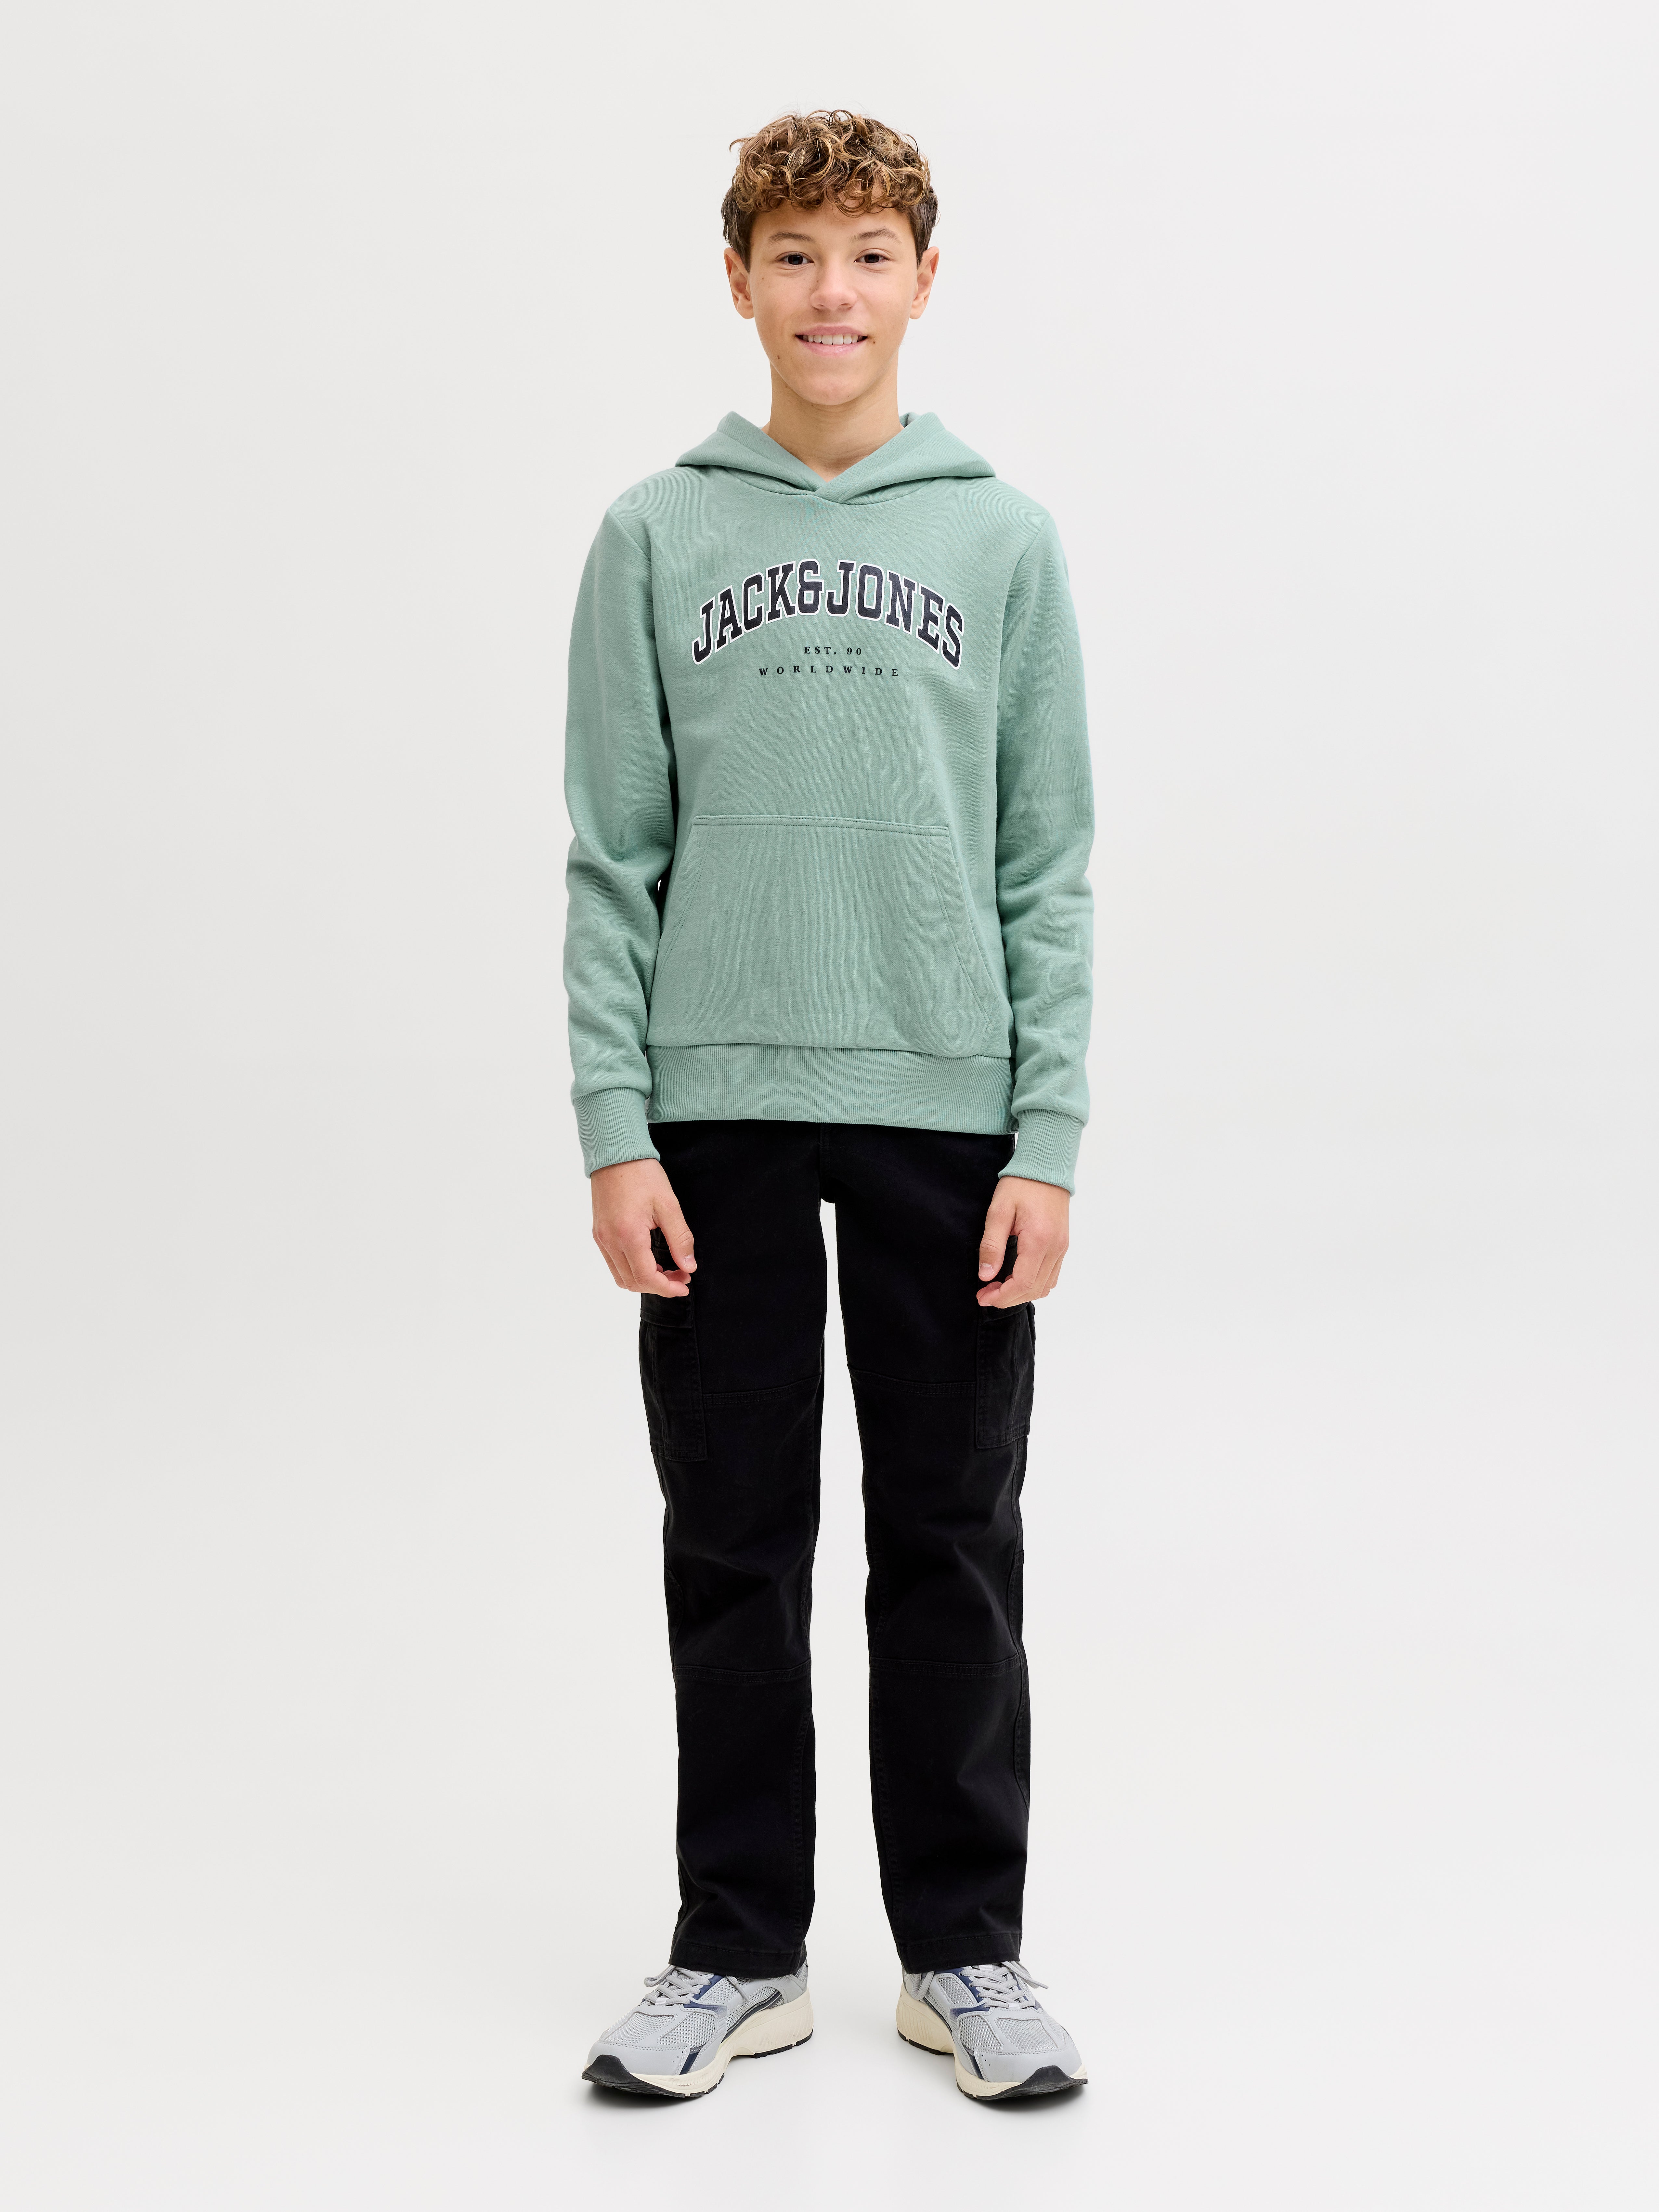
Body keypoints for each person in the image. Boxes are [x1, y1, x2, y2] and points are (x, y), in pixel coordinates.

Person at [564, 110, 1094, 2102]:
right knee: (733, 1534)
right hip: (712, 1114)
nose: (830, 293)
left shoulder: (1002, 539)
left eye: (868, 254)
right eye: (793, 255)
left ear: (922, 282)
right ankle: (736, 1949)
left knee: (948, 1533)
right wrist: (616, 1126)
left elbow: (1045, 862)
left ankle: (963, 1951)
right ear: (739, 282)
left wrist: (1046, 1139)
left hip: (945, 1112)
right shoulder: (654, 534)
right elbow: (610, 857)